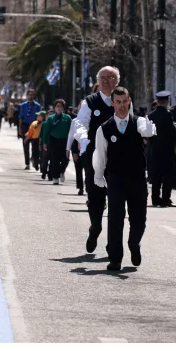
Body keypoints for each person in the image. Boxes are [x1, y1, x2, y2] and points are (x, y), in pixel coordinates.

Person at [92, 87, 156, 271]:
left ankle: (134, 244)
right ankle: (115, 258)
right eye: (118, 102)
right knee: (115, 218)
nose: (121, 106)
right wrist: (98, 175)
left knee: (139, 220)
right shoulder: (104, 129)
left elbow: (147, 131)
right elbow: (100, 154)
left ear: (129, 101)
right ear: (112, 103)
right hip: (116, 179)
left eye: (124, 101)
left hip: (137, 179)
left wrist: (149, 129)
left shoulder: (139, 122)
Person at [73, 66, 128, 254]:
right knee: (95, 199)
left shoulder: (123, 100)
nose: (106, 81)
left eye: (111, 77)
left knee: (116, 201)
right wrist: (83, 139)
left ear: (117, 81)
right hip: (95, 157)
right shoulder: (90, 102)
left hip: (119, 158)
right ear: (98, 80)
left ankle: (113, 243)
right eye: (103, 77)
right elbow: (80, 123)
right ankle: (95, 227)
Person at [148, 91, 176, 208]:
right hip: (167, 150)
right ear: (167, 101)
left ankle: (155, 199)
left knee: (156, 175)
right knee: (167, 175)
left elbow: (148, 133)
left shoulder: (151, 115)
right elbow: (174, 132)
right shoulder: (168, 115)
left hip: (155, 149)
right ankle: (166, 199)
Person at [42, 99, 72, 185]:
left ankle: (62, 171)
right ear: (54, 108)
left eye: (61, 106)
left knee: (65, 159)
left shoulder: (67, 118)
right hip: (53, 140)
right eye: (57, 106)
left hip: (64, 140)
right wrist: (44, 142)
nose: (59, 108)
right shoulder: (51, 118)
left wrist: (70, 143)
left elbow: (70, 131)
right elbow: (46, 131)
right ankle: (55, 177)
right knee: (55, 159)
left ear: (63, 108)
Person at [19, 89, 42, 170]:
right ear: (27, 95)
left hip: (34, 126)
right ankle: (27, 163)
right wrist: (20, 128)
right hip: (25, 126)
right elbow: (21, 117)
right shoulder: (23, 105)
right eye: (29, 94)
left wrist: (39, 126)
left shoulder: (38, 106)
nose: (31, 96)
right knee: (25, 145)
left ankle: (34, 160)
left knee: (35, 146)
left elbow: (40, 117)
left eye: (32, 95)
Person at [66, 102, 85, 195]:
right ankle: (80, 187)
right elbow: (71, 135)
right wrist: (68, 149)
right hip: (76, 148)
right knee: (78, 168)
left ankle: (91, 189)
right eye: (80, 107)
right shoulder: (75, 121)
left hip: (88, 148)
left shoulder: (92, 120)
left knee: (90, 170)